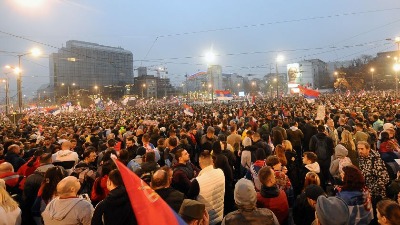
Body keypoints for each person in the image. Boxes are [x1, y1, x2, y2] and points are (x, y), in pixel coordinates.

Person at [357, 141, 390, 225]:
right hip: (367, 193)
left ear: (368, 149)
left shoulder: (376, 160)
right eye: (358, 149)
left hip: (377, 194)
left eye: (362, 149)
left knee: (377, 217)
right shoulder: (361, 158)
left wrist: (372, 192)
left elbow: (383, 179)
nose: (360, 151)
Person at [195, 150, 225, 225]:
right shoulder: (220, 172)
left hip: (205, 219)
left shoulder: (197, 181)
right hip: (220, 215)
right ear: (212, 161)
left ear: (199, 163)